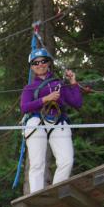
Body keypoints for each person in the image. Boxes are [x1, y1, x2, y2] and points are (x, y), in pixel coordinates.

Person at [21, 48, 83, 193]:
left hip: (58, 122)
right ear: (32, 67)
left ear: (48, 63)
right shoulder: (29, 88)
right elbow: (24, 107)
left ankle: (55, 192)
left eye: (43, 61)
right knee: (37, 164)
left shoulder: (59, 84)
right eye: (35, 63)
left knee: (66, 161)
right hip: (36, 122)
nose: (39, 65)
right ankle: (36, 196)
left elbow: (77, 103)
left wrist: (73, 82)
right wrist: (45, 99)